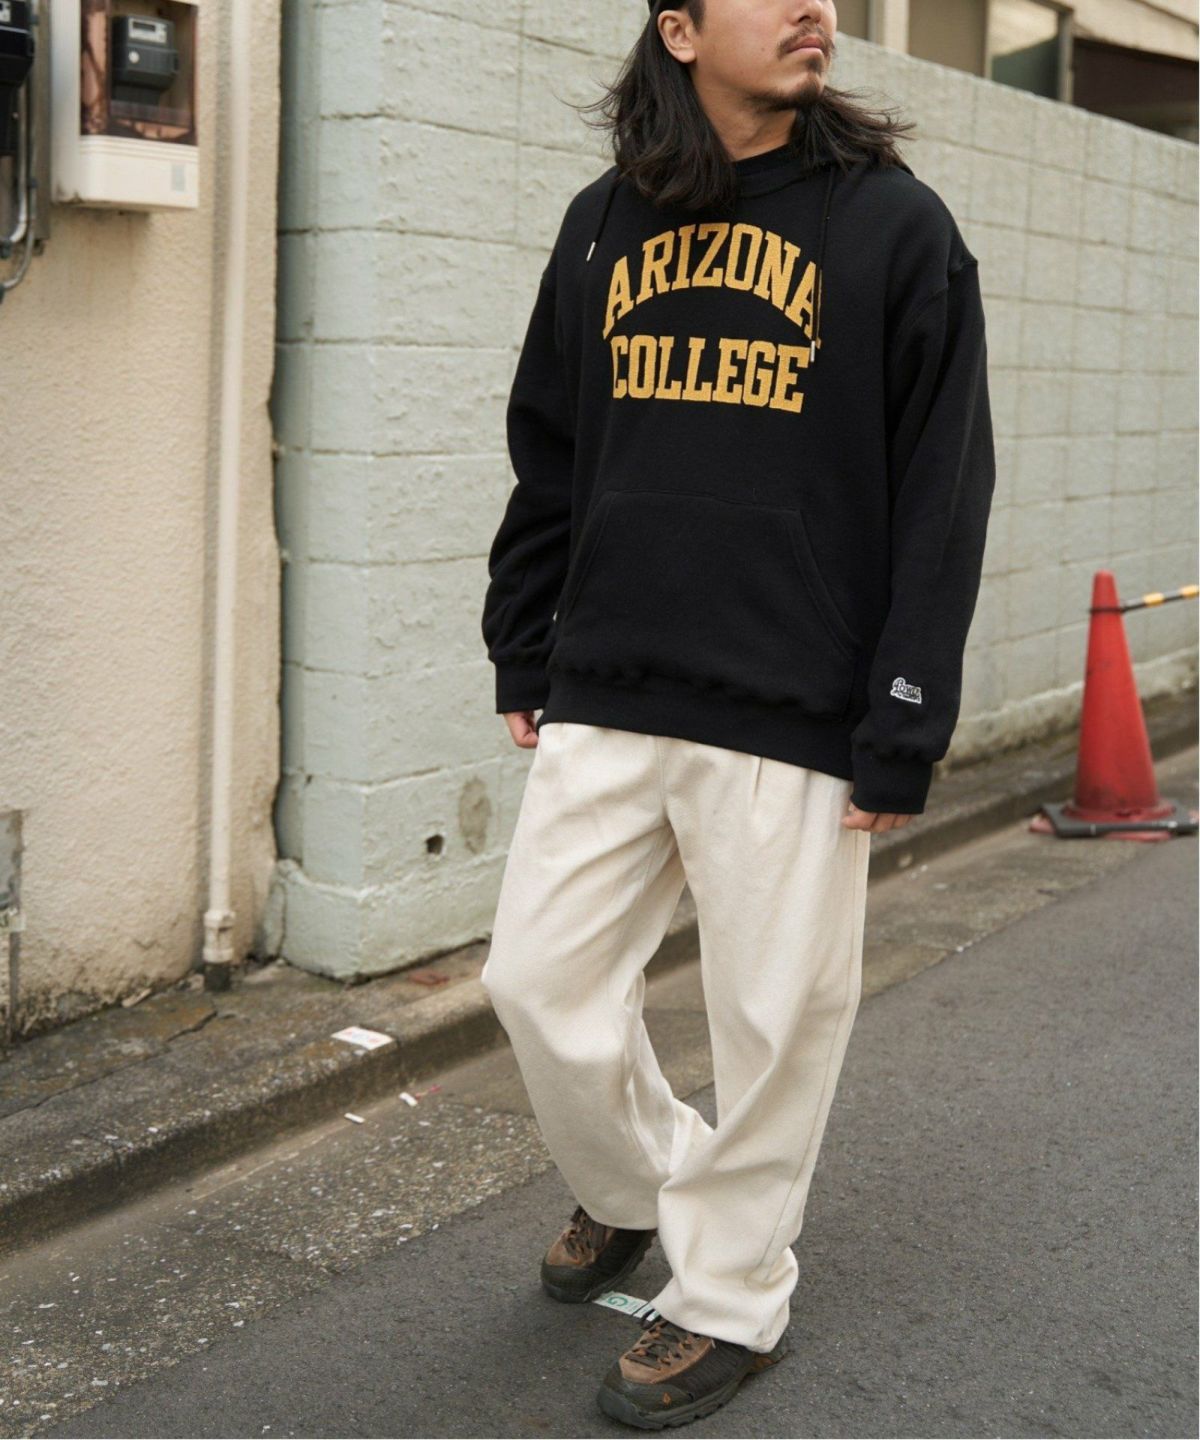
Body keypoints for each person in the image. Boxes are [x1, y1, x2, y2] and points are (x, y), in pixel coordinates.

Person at [478, 0, 996, 1428]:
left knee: (775, 1025)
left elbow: (945, 487)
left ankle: (730, 1298)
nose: (815, 9)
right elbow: (551, 448)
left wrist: (904, 708)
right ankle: (638, 1183)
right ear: (681, 30)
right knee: (536, 984)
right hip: (611, 678)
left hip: (795, 698)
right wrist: (524, 640)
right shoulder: (601, 223)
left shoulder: (894, 226)